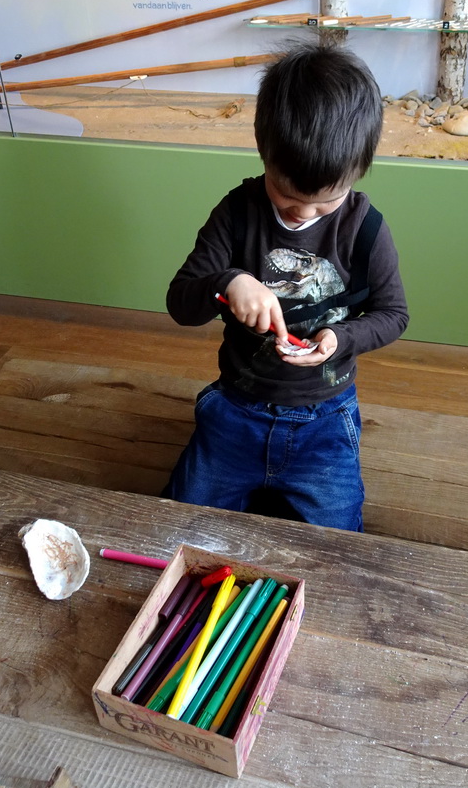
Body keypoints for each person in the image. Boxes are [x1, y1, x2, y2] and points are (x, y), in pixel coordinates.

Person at [163, 41, 409, 531]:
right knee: (175, 525)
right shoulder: (236, 213)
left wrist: (341, 339)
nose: (303, 213)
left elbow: (393, 315)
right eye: (286, 193)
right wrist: (229, 282)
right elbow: (181, 302)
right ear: (264, 152)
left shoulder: (365, 228)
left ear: (356, 173)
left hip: (325, 417)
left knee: (341, 543)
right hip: (237, 409)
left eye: (327, 201)